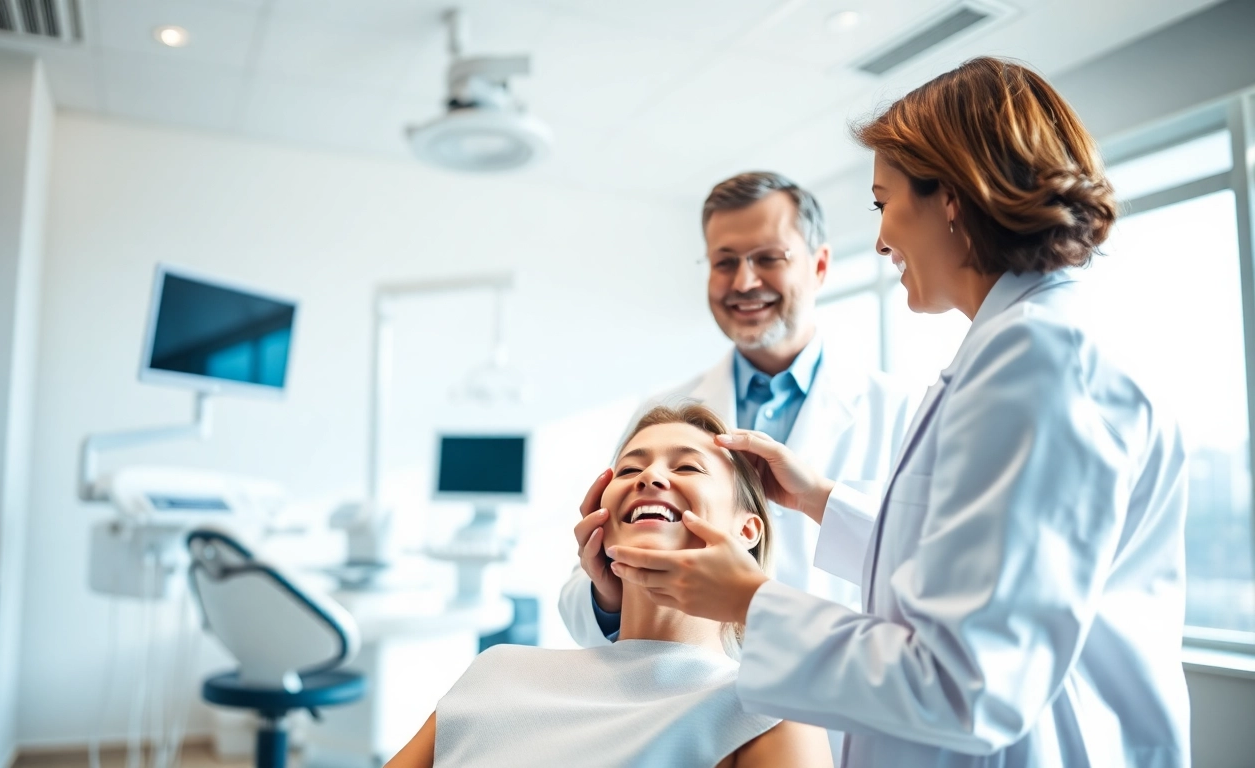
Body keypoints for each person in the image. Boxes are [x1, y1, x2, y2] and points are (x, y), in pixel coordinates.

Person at [606, 57, 1190, 767]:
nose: (880, 239)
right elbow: (966, 567)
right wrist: (823, 500)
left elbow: (967, 687)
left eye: (883, 203)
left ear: (950, 195)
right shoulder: (1010, 352)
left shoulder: (1037, 360)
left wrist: (752, 603)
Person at [560, 172, 916, 649]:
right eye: (724, 262)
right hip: (690, 705)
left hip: (836, 706)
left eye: (768, 258)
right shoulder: (664, 416)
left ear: (820, 266)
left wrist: (826, 504)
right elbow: (583, 596)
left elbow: (931, 575)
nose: (744, 282)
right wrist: (609, 595)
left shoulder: (899, 413)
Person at [384, 404, 834, 768]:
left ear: (748, 530)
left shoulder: (767, 713)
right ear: (601, 519)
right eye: (628, 470)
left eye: (688, 467)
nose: (649, 478)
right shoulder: (497, 671)